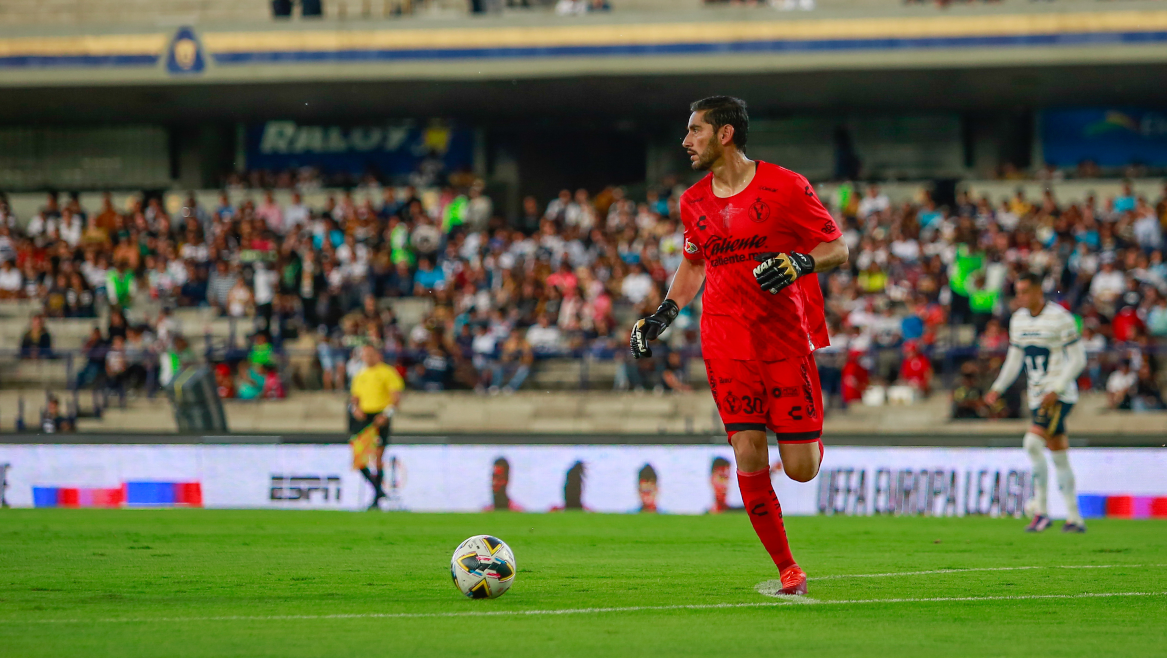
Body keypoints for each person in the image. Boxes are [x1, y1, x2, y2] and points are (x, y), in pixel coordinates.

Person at [630, 96, 848, 596]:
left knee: (800, 470)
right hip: (725, 341)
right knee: (747, 449)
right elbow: (694, 263)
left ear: (725, 134)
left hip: (784, 340)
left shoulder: (786, 186)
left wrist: (799, 262)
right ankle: (788, 567)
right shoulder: (692, 202)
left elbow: (837, 248)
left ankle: (806, 438)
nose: (686, 141)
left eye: (695, 130)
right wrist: (664, 313)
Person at [985, 273, 1088, 533]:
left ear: (1037, 292)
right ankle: (1074, 518)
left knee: (1031, 443)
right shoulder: (1018, 320)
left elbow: (1078, 359)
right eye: (1016, 292)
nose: (1019, 297)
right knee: (1059, 454)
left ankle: (1040, 510)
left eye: (1023, 292)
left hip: (1058, 395)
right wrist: (997, 388)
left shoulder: (1060, 318)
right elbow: (1014, 359)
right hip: (1035, 395)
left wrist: (1057, 387)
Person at [348, 344, 405, 510]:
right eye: (365, 355)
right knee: (359, 459)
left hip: (379, 416)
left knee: (378, 456)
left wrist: (386, 414)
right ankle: (378, 490)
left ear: (377, 355)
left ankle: (376, 499)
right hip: (363, 417)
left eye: (370, 354)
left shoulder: (387, 372)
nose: (368, 358)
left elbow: (396, 397)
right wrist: (355, 409)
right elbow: (354, 398)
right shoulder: (360, 374)